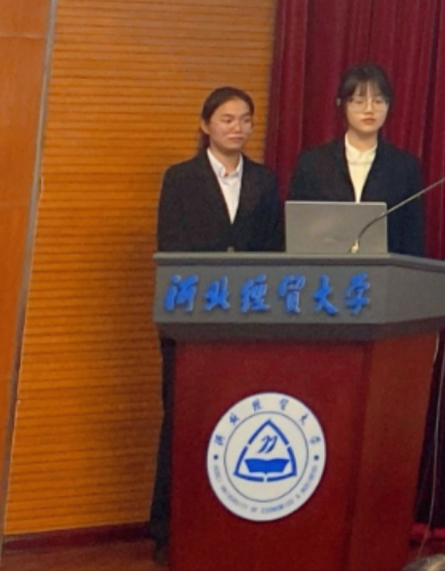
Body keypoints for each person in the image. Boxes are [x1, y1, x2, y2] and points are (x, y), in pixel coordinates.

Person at [150, 87, 285, 559]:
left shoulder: (265, 181)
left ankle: (226, 525)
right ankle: (169, 531)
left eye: (245, 119)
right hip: (191, 321)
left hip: (246, 323)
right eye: (227, 119)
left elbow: (274, 251)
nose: (237, 128)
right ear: (206, 124)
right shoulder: (181, 178)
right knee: (183, 422)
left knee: (235, 422)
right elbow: (171, 247)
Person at [289, 62, 428, 256]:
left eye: (378, 101)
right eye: (359, 101)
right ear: (342, 104)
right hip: (325, 268)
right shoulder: (313, 163)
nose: (369, 110)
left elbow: (412, 237)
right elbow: (298, 229)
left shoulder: (404, 167)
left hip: (383, 269)